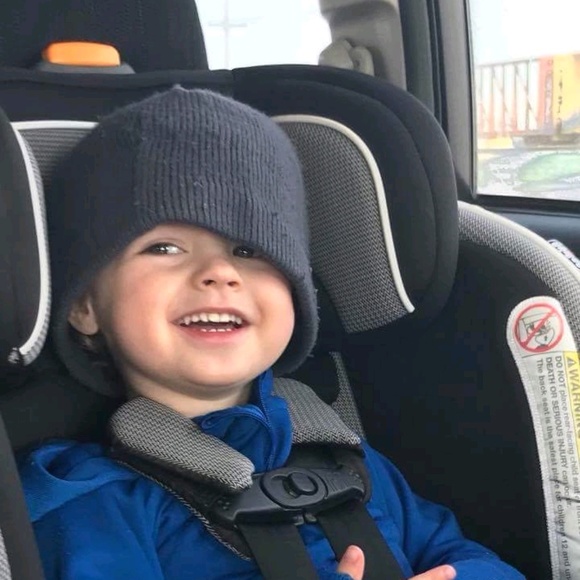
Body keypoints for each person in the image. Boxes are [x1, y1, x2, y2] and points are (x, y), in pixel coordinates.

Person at [19, 88, 524, 580]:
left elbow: (465, 556)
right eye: (165, 248)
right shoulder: (91, 499)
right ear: (85, 307)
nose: (219, 273)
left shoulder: (344, 455)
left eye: (249, 250)